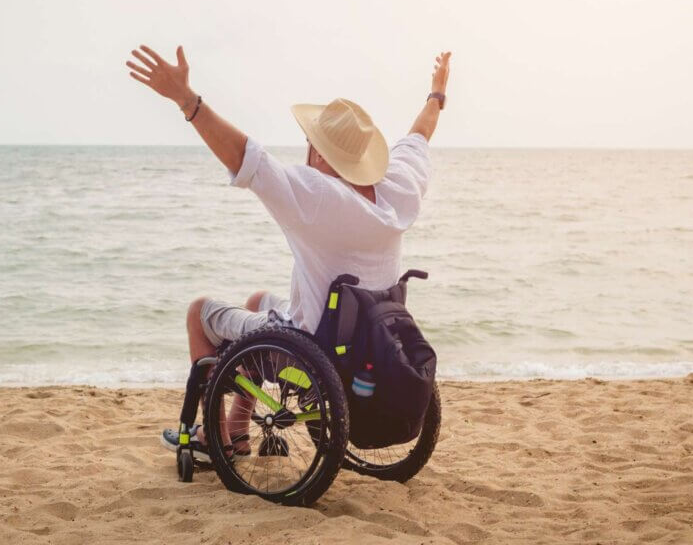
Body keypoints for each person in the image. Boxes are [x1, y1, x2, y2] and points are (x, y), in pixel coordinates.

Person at [125, 44, 451, 461]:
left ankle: (213, 440)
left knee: (199, 313)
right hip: (362, 341)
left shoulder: (317, 196)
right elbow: (420, 134)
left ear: (318, 152)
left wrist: (187, 101)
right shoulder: (399, 190)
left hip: (311, 348)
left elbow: (247, 158)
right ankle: (238, 430)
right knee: (258, 302)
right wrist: (436, 94)